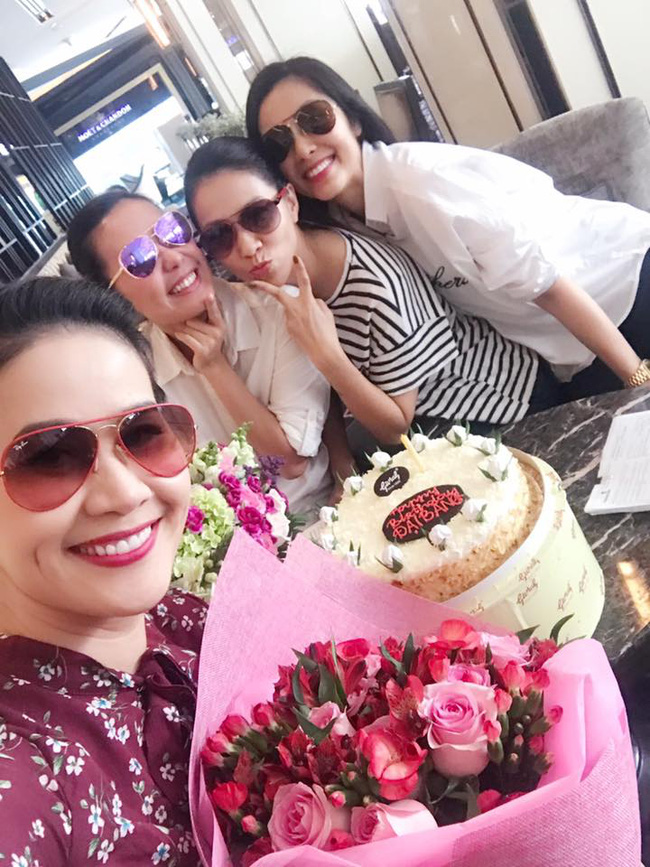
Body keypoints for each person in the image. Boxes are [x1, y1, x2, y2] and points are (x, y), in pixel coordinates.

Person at [245, 56, 650, 398]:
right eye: (279, 142)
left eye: (314, 118)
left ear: (352, 119)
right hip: (572, 350)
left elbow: (550, 287)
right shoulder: (345, 227)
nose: (303, 147)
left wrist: (637, 381)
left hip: (623, 286)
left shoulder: (425, 187)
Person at [0, 277, 203, 864]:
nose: (125, 492)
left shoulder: (185, 619)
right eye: (49, 458)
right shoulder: (22, 775)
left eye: (143, 432)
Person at [183, 136, 563, 449]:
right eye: (219, 236)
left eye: (259, 215)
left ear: (291, 203)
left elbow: (397, 428)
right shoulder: (270, 287)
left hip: (500, 407)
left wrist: (326, 354)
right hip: (421, 425)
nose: (248, 246)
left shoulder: (371, 283)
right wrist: (341, 461)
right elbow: (320, 393)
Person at [67, 191, 341, 515]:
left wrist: (215, 368)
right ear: (115, 297)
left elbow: (290, 462)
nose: (173, 258)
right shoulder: (132, 373)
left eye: (171, 231)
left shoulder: (279, 312)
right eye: (140, 259)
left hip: (322, 514)